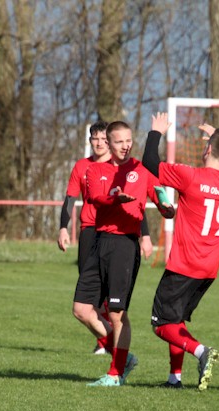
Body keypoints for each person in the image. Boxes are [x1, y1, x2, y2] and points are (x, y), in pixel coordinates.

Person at [143, 113, 219, 391]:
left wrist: (155, 132)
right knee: (177, 320)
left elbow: (149, 162)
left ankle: (201, 351)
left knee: (160, 324)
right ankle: (174, 379)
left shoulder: (190, 176)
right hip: (209, 267)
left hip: (184, 264)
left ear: (207, 149)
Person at [72, 121, 175, 387]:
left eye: (129, 140)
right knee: (82, 309)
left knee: (117, 314)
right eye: (119, 141)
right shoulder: (95, 170)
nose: (126, 146)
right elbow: (96, 198)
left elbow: (159, 191)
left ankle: (115, 373)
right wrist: (114, 198)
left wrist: (166, 206)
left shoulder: (140, 169)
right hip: (99, 241)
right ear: (108, 142)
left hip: (124, 246)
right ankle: (123, 356)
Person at [58, 121, 153, 355]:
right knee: (88, 298)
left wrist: (146, 235)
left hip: (119, 236)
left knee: (112, 302)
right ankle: (112, 344)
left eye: (103, 138)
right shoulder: (84, 167)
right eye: (95, 139)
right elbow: (71, 199)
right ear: (90, 141)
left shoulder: (129, 170)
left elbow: (135, 204)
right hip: (91, 231)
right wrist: (63, 227)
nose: (99, 143)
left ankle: (113, 348)